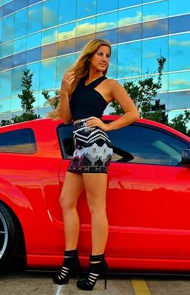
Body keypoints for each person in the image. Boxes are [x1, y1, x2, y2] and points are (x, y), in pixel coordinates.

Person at [50, 38, 139, 290]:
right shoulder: (76, 85)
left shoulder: (110, 85)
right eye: (100, 54)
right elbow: (66, 118)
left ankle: (97, 263)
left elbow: (133, 113)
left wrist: (107, 125)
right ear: (89, 56)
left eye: (108, 55)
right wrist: (64, 91)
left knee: (95, 206)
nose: (104, 59)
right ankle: (70, 261)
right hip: (79, 146)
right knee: (66, 202)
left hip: (95, 144)